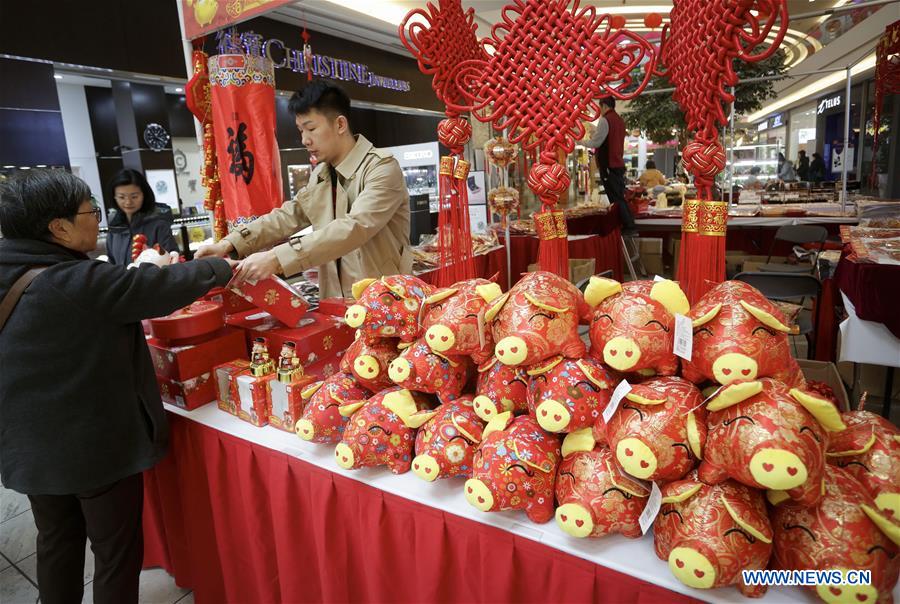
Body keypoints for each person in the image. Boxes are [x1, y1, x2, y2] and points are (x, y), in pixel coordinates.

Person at [0, 170, 234, 604]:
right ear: (59, 227)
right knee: (115, 552)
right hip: (93, 448)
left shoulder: (16, 270)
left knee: (57, 541)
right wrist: (221, 266)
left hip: (28, 445)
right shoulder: (74, 280)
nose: (98, 219)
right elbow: (154, 288)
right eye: (90, 211)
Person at [195, 80, 410, 298]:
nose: (305, 140)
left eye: (311, 129)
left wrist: (277, 258)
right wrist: (230, 243)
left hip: (383, 302)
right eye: (301, 130)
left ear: (340, 124)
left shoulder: (381, 168)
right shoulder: (322, 174)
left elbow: (355, 227)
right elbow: (291, 214)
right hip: (334, 301)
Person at [105, 169, 179, 265]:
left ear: (144, 195)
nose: (128, 202)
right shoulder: (115, 228)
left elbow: (170, 261)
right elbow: (112, 263)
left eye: (134, 197)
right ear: (114, 197)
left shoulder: (158, 225)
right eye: (121, 197)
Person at [586, 97, 636, 236]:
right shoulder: (619, 120)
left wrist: (579, 142)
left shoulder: (605, 120)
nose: (600, 111)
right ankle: (625, 224)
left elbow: (596, 143)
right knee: (619, 195)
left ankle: (629, 226)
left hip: (609, 164)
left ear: (604, 106)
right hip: (617, 163)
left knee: (615, 197)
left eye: (600, 107)